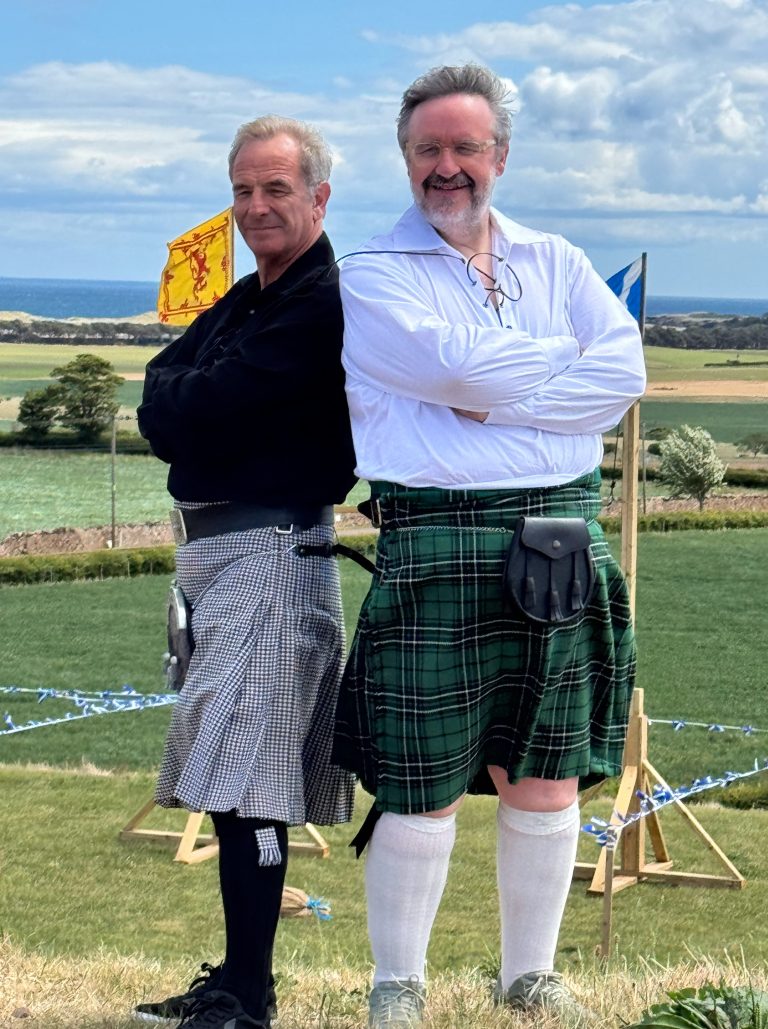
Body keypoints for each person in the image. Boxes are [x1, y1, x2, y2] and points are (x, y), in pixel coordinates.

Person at [332, 64, 646, 1028]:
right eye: (427, 148)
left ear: (499, 155)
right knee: (419, 778)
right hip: (435, 538)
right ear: (405, 159)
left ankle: (530, 977)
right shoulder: (372, 273)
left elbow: (622, 373)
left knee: (547, 773)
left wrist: (488, 396)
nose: (447, 166)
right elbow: (447, 365)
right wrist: (552, 372)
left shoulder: (557, 258)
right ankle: (398, 982)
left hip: (561, 535)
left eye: (465, 147)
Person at [135, 115, 357, 1029]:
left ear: (319, 196)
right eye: (242, 190)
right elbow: (162, 391)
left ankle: (247, 996)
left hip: (271, 553)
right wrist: (189, 404)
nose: (256, 206)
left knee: (250, 782)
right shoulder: (252, 297)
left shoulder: (320, 303)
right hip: (222, 556)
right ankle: (236, 980)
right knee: (236, 779)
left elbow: (200, 403)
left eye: (276, 188)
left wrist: (190, 406)